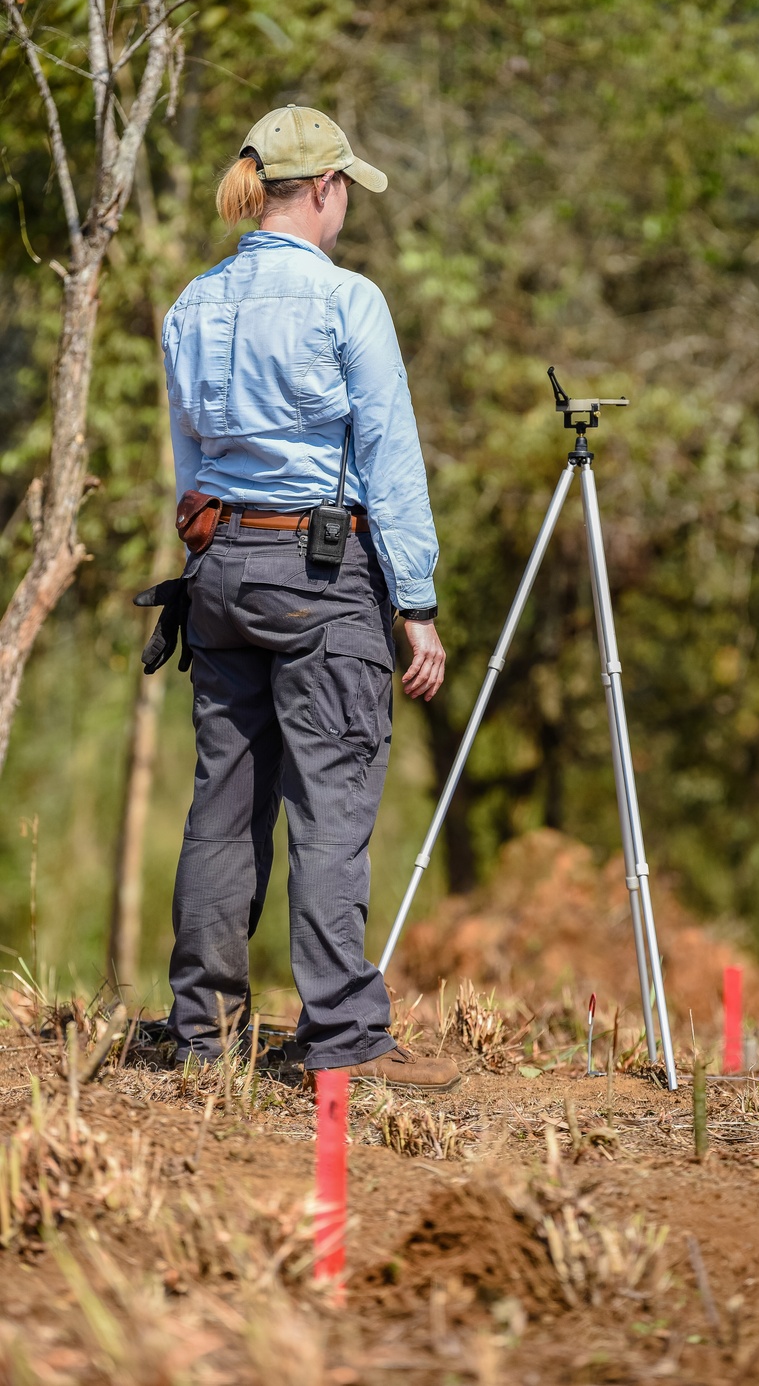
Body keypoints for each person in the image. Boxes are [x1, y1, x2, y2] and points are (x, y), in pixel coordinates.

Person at [159, 104, 459, 1092]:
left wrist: (213, 554)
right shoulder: (347, 302)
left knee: (224, 800)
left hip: (220, 568)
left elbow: (189, 468)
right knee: (330, 804)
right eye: (345, 195)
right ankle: (340, 1035)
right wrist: (413, 602)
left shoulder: (191, 304)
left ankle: (201, 1029)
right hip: (322, 575)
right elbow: (388, 460)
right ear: (323, 189)